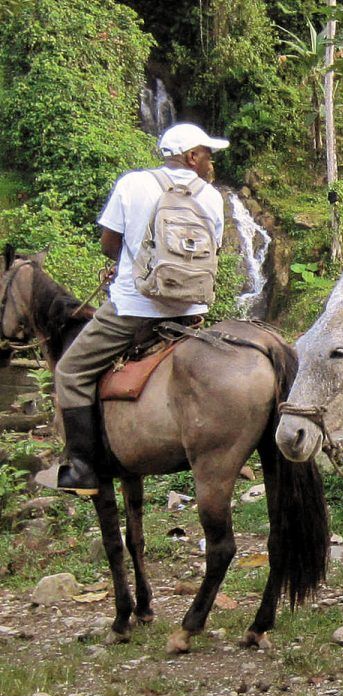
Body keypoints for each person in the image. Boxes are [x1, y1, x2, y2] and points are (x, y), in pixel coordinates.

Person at [37, 122, 229, 496]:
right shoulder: (212, 197)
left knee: (70, 372)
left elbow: (110, 244)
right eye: (207, 154)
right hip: (190, 309)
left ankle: (82, 469)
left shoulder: (132, 184)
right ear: (191, 157)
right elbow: (212, 252)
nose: (210, 161)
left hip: (134, 309)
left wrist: (125, 263)